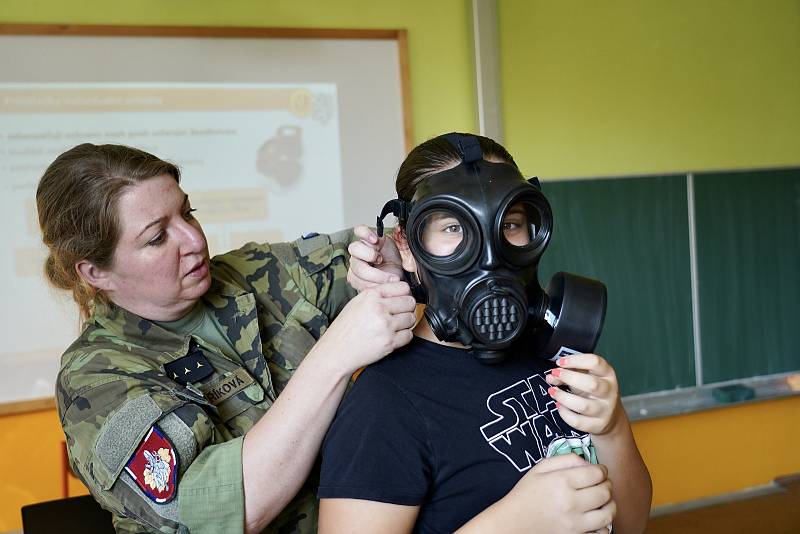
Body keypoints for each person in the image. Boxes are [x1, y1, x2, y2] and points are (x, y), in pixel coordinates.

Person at [37, 143, 418, 533]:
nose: (194, 241)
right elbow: (233, 510)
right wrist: (335, 356)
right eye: (157, 238)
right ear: (95, 272)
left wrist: (389, 260)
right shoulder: (96, 381)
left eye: (188, 213)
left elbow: (406, 246)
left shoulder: (253, 273)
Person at [318, 133, 652, 533]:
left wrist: (613, 428)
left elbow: (631, 524)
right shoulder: (384, 404)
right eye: (453, 227)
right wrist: (511, 525)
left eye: (508, 223)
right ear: (406, 246)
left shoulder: (558, 355)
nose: (490, 254)